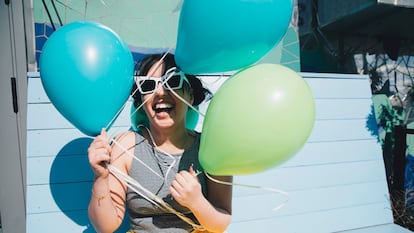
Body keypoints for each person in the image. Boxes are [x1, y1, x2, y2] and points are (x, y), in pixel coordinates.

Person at [87, 53, 233, 233]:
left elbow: (221, 223)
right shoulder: (126, 146)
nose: (160, 92)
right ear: (141, 100)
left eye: (172, 81)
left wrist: (197, 202)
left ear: (191, 95)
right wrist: (100, 177)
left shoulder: (210, 147)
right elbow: (105, 227)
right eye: (148, 85)